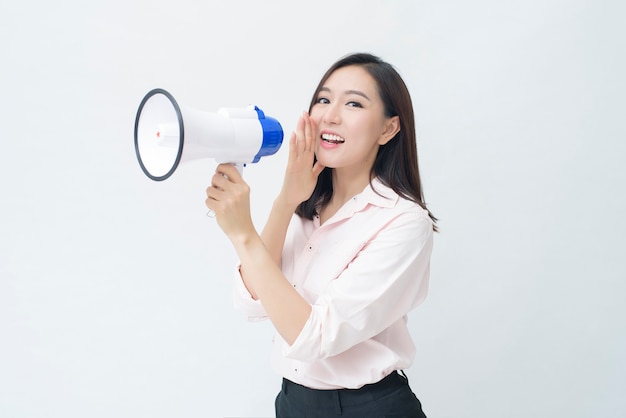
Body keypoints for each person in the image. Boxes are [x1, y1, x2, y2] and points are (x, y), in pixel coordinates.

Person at [205, 52, 436, 417]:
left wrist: (244, 235)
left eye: (354, 103)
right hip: (293, 402)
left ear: (388, 129)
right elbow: (251, 300)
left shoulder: (403, 222)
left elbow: (313, 337)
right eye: (323, 99)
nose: (330, 115)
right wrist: (284, 202)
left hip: (369, 407)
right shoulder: (305, 207)